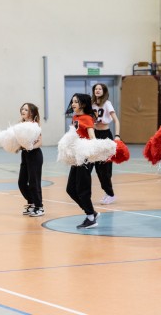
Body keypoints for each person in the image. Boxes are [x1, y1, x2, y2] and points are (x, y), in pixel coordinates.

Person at [65, 93, 101, 229]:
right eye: (72, 101)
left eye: (76, 102)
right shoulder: (75, 117)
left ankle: (91, 218)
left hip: (85, 157)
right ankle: (91, 212)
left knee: (82, 188)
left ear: (83, 104)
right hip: (76, 157)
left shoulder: (87, 118)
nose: (73, 104)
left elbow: (92, 137)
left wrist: (92, 150)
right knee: (70, 189)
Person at [91, 83, 120, 205]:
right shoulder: (91, 104)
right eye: (96, 89)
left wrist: (117, 136)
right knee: (98, 168)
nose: (97, 90)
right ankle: (107, 192)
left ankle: (111, 194)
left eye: (100, 89)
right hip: (95, 135)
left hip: (106, 135)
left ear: (104, 91)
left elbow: (116, 120)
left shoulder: (107, 103)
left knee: (106, 167)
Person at [18, 103, 44, 217]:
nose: (23, 111)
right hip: (25, 155)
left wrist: (31, 147)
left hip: (34, 155)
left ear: (31, 113)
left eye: (26, 109)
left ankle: (39, 207)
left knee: (34, 182)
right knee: (22, 182)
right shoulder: (21, 125)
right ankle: (32, 203)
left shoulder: (35, 125)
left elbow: (40, 142)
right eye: (22, 109)